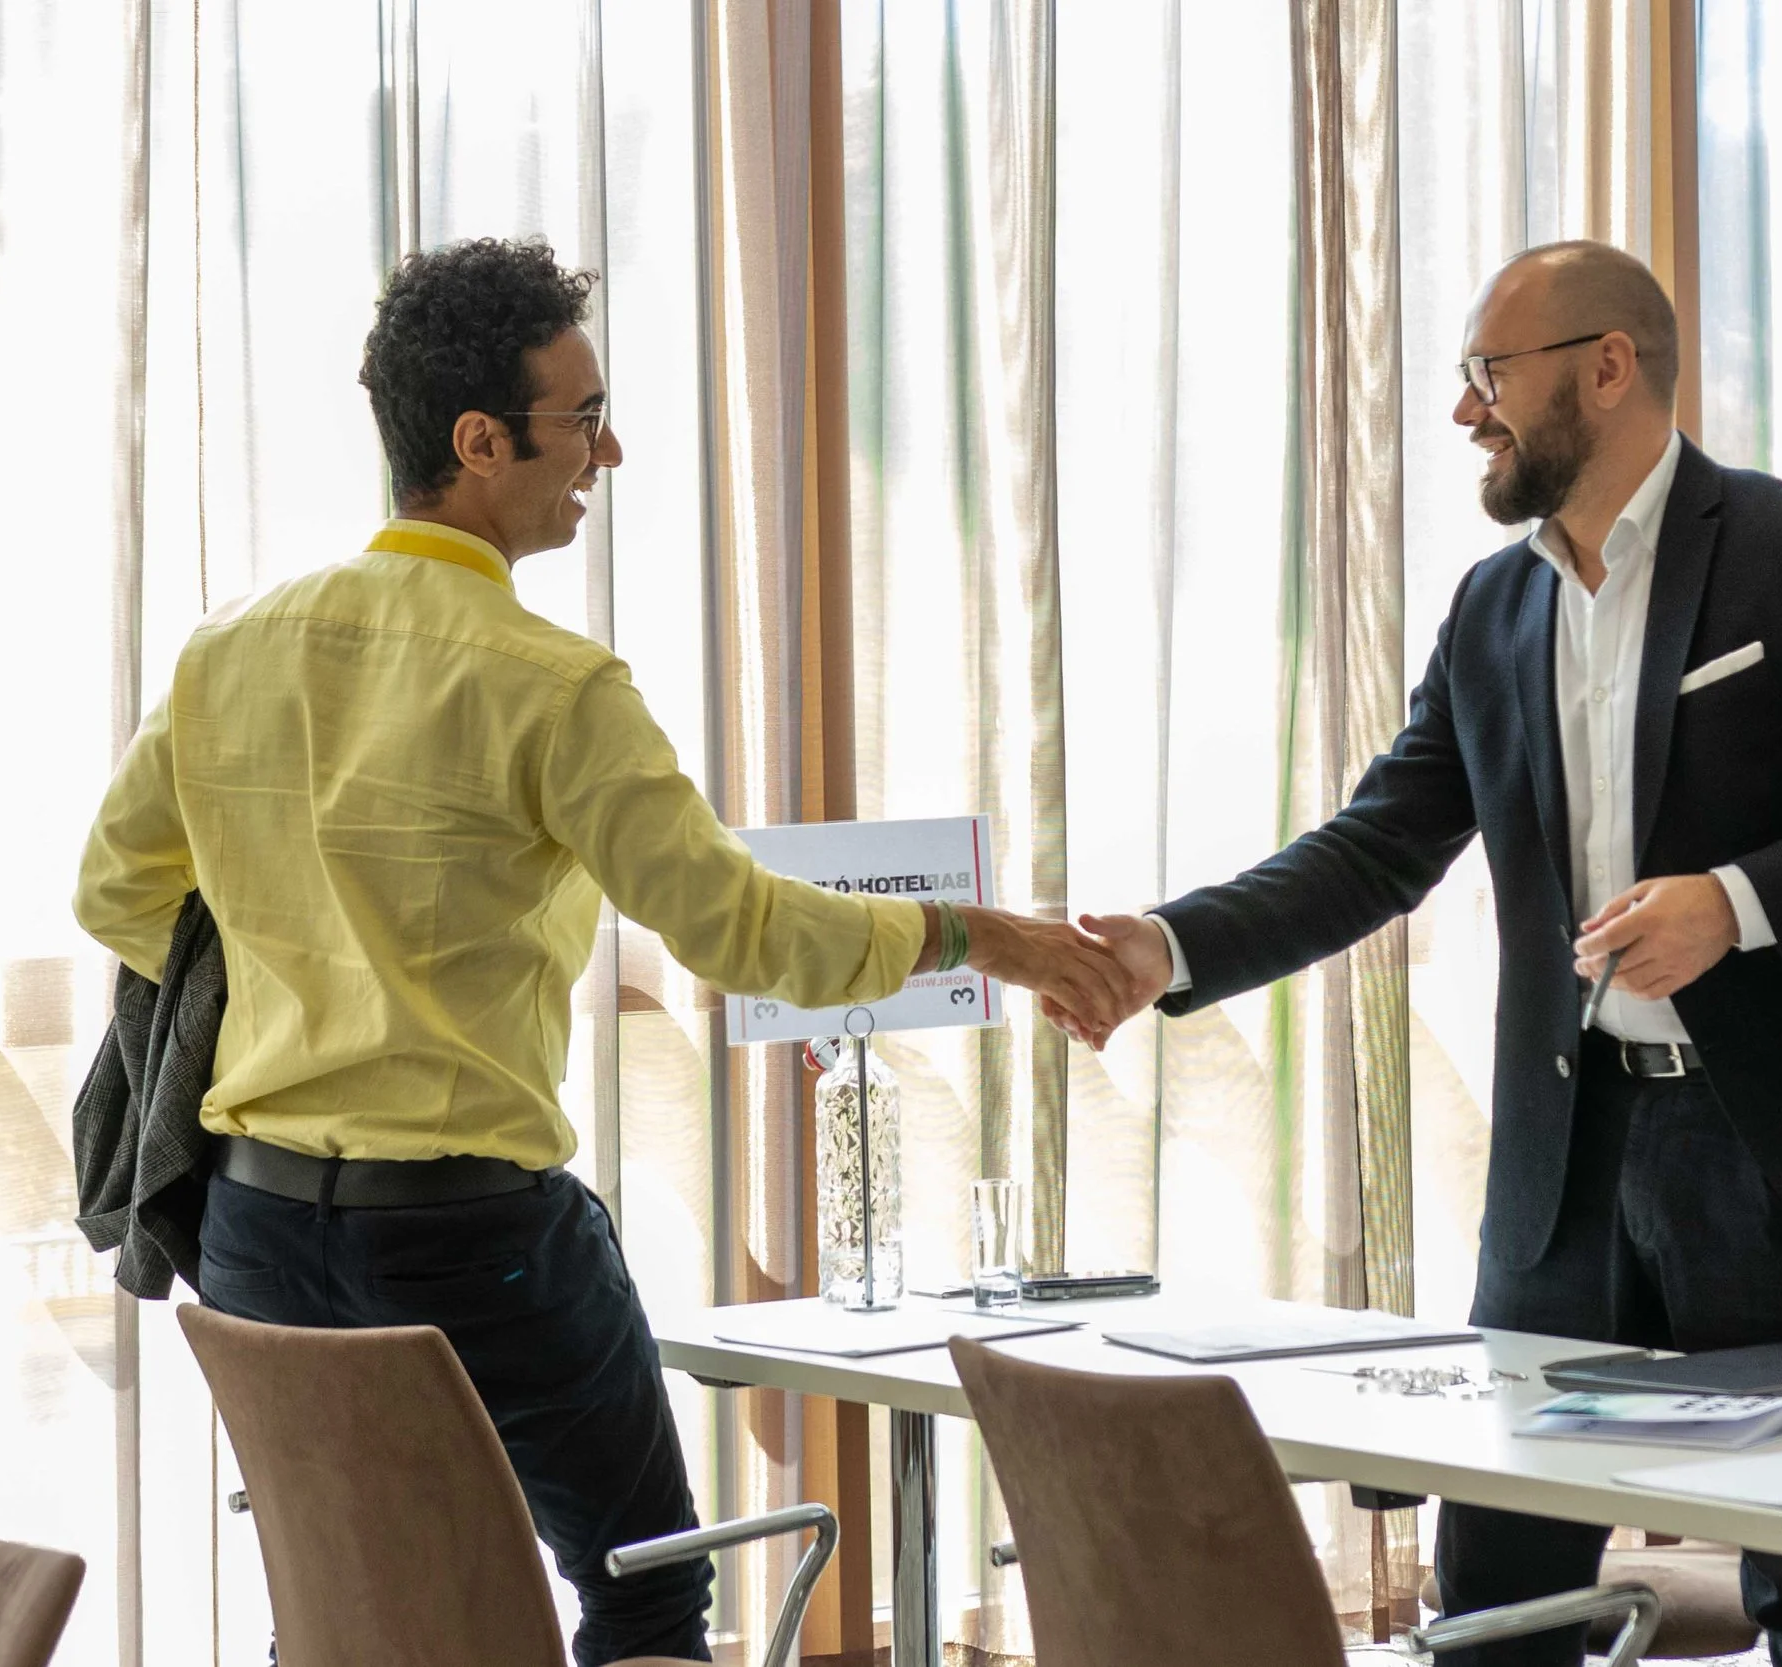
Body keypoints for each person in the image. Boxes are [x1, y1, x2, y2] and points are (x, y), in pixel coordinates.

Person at [73, 237, 1129, 1666]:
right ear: (477, 441)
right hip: (467, 1235)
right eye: (581, 418)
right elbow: (742, 930)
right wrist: (976, 932)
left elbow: (119, 888)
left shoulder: (232, 649)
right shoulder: (556, 687)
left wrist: (300, 947)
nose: (608, 450)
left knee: (351, 1608)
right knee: (642, 1589)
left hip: (254, 1232)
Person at [1047, 241, 1782, 1667]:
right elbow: (1378, 845)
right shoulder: (1494, 610)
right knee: (1496, 1583)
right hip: (1570, 1156)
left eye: (1488, 375)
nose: (1466, 412)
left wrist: (1736, 901)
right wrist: (1168, 945)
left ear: (1608, 365)